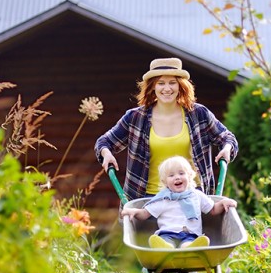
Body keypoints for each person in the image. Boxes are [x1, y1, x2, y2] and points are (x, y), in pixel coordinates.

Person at [95, 57, 238, 201]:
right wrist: (106, 154)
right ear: (153, 87)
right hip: (148, 199)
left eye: (172, 83)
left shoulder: (198, 114)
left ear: (181, 86)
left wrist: (226, 149)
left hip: (192, 195)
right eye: (161, 83)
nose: (167, 89)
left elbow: (227, 138)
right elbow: (104, 142)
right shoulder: (136, 118)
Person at [122, 156, 237, 248]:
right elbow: (145, 213)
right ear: (165, 182)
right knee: (166, 242)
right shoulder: (163, 198)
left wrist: (223, 203)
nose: (177, 177)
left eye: (181, 173)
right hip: (167, 233)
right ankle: (164, 248)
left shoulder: (196, 195)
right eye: (171, 175)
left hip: (190, 235)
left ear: (190, 176)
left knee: (187, 244)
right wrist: (134, 211)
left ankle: (191, 248)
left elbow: (213, 209)